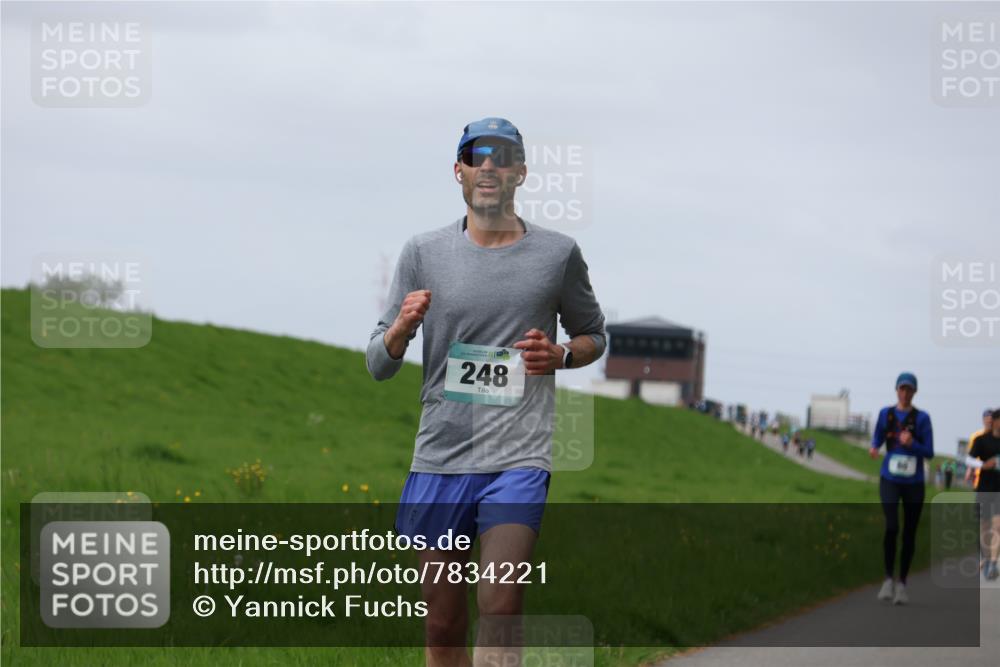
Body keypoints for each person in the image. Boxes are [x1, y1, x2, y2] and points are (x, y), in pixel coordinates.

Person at [366, 117, 606, 667]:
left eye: (503, 156)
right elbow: (378, 363)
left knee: (500, 604)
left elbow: (594, 335)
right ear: (460, 172)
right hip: (441, 457)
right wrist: (401, 331)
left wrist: (563, 356)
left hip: (518, 456)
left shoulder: (558, 254)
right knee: (443, 624)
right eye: (478, 156)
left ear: (521, 172)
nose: (490, 165)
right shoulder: (423, 252)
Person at [869, 372, 934, 605]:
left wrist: (912, 443)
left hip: (914, 483)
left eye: (909, 390)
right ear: (896, 390)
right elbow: (876, 437)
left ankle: (902, 583)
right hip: (890, 479)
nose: (905, 393)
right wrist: (874, 447)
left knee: (909, 533)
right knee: (892, 526)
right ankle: (887, 579)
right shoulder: (886, 414)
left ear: (915, 392)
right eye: (902, 389)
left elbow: (929, 452)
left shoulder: (923, 419)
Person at [965, 408, 1000, 581]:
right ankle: (985, 558)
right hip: (985, 487)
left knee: (998, 527)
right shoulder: (981, 440)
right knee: (984, 527)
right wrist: (983, 465)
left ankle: (993, 563)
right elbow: (969, 459)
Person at [965, 408, 994, 487]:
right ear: (983, 420)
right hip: (979, 473)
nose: (989, 422)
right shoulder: (976, 436)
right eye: (987, 419)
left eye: (991, 420)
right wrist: (969, 470)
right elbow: (971, 456)